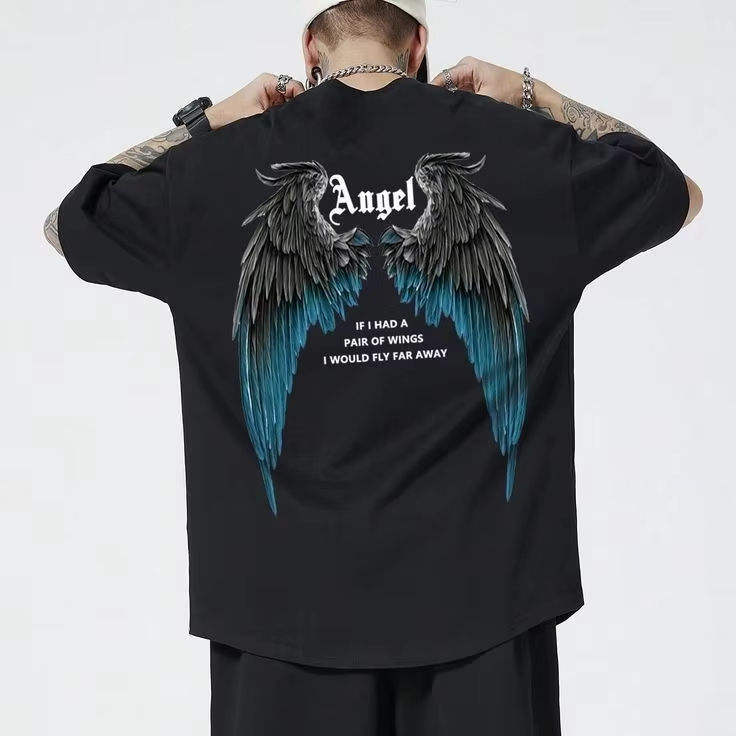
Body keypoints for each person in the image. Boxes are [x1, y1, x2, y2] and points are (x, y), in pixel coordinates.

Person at [43, 0, 702, 733]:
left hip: (283, 616)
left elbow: (71, 223)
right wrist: (529, 94)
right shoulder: (515, 149)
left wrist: (211, 122)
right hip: (483, 605)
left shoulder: (220, 168)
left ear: (309, 47)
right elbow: (671, 188)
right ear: (419, 44)